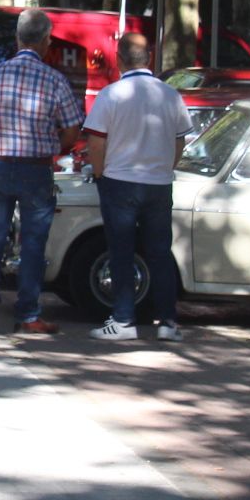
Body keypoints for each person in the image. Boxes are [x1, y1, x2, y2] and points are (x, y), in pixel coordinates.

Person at [0, 8, 84, 336]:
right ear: (47, 40)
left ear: (17, 38)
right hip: (36, 170)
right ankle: (29, 315)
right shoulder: (55, 80)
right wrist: (54, 147)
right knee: (33, 243)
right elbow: (72, 129)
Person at [84, 31, 191, 342]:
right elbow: (179, 140)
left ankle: (123, 319)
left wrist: (101, 174)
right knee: (160, 253)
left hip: (119, 181)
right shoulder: (170, 95)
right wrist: (164, 168)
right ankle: (168, 322)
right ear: (151, 59)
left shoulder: (111, 94)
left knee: (121, 251)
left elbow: (96, 140)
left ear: (118, 60)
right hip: (158, 183)